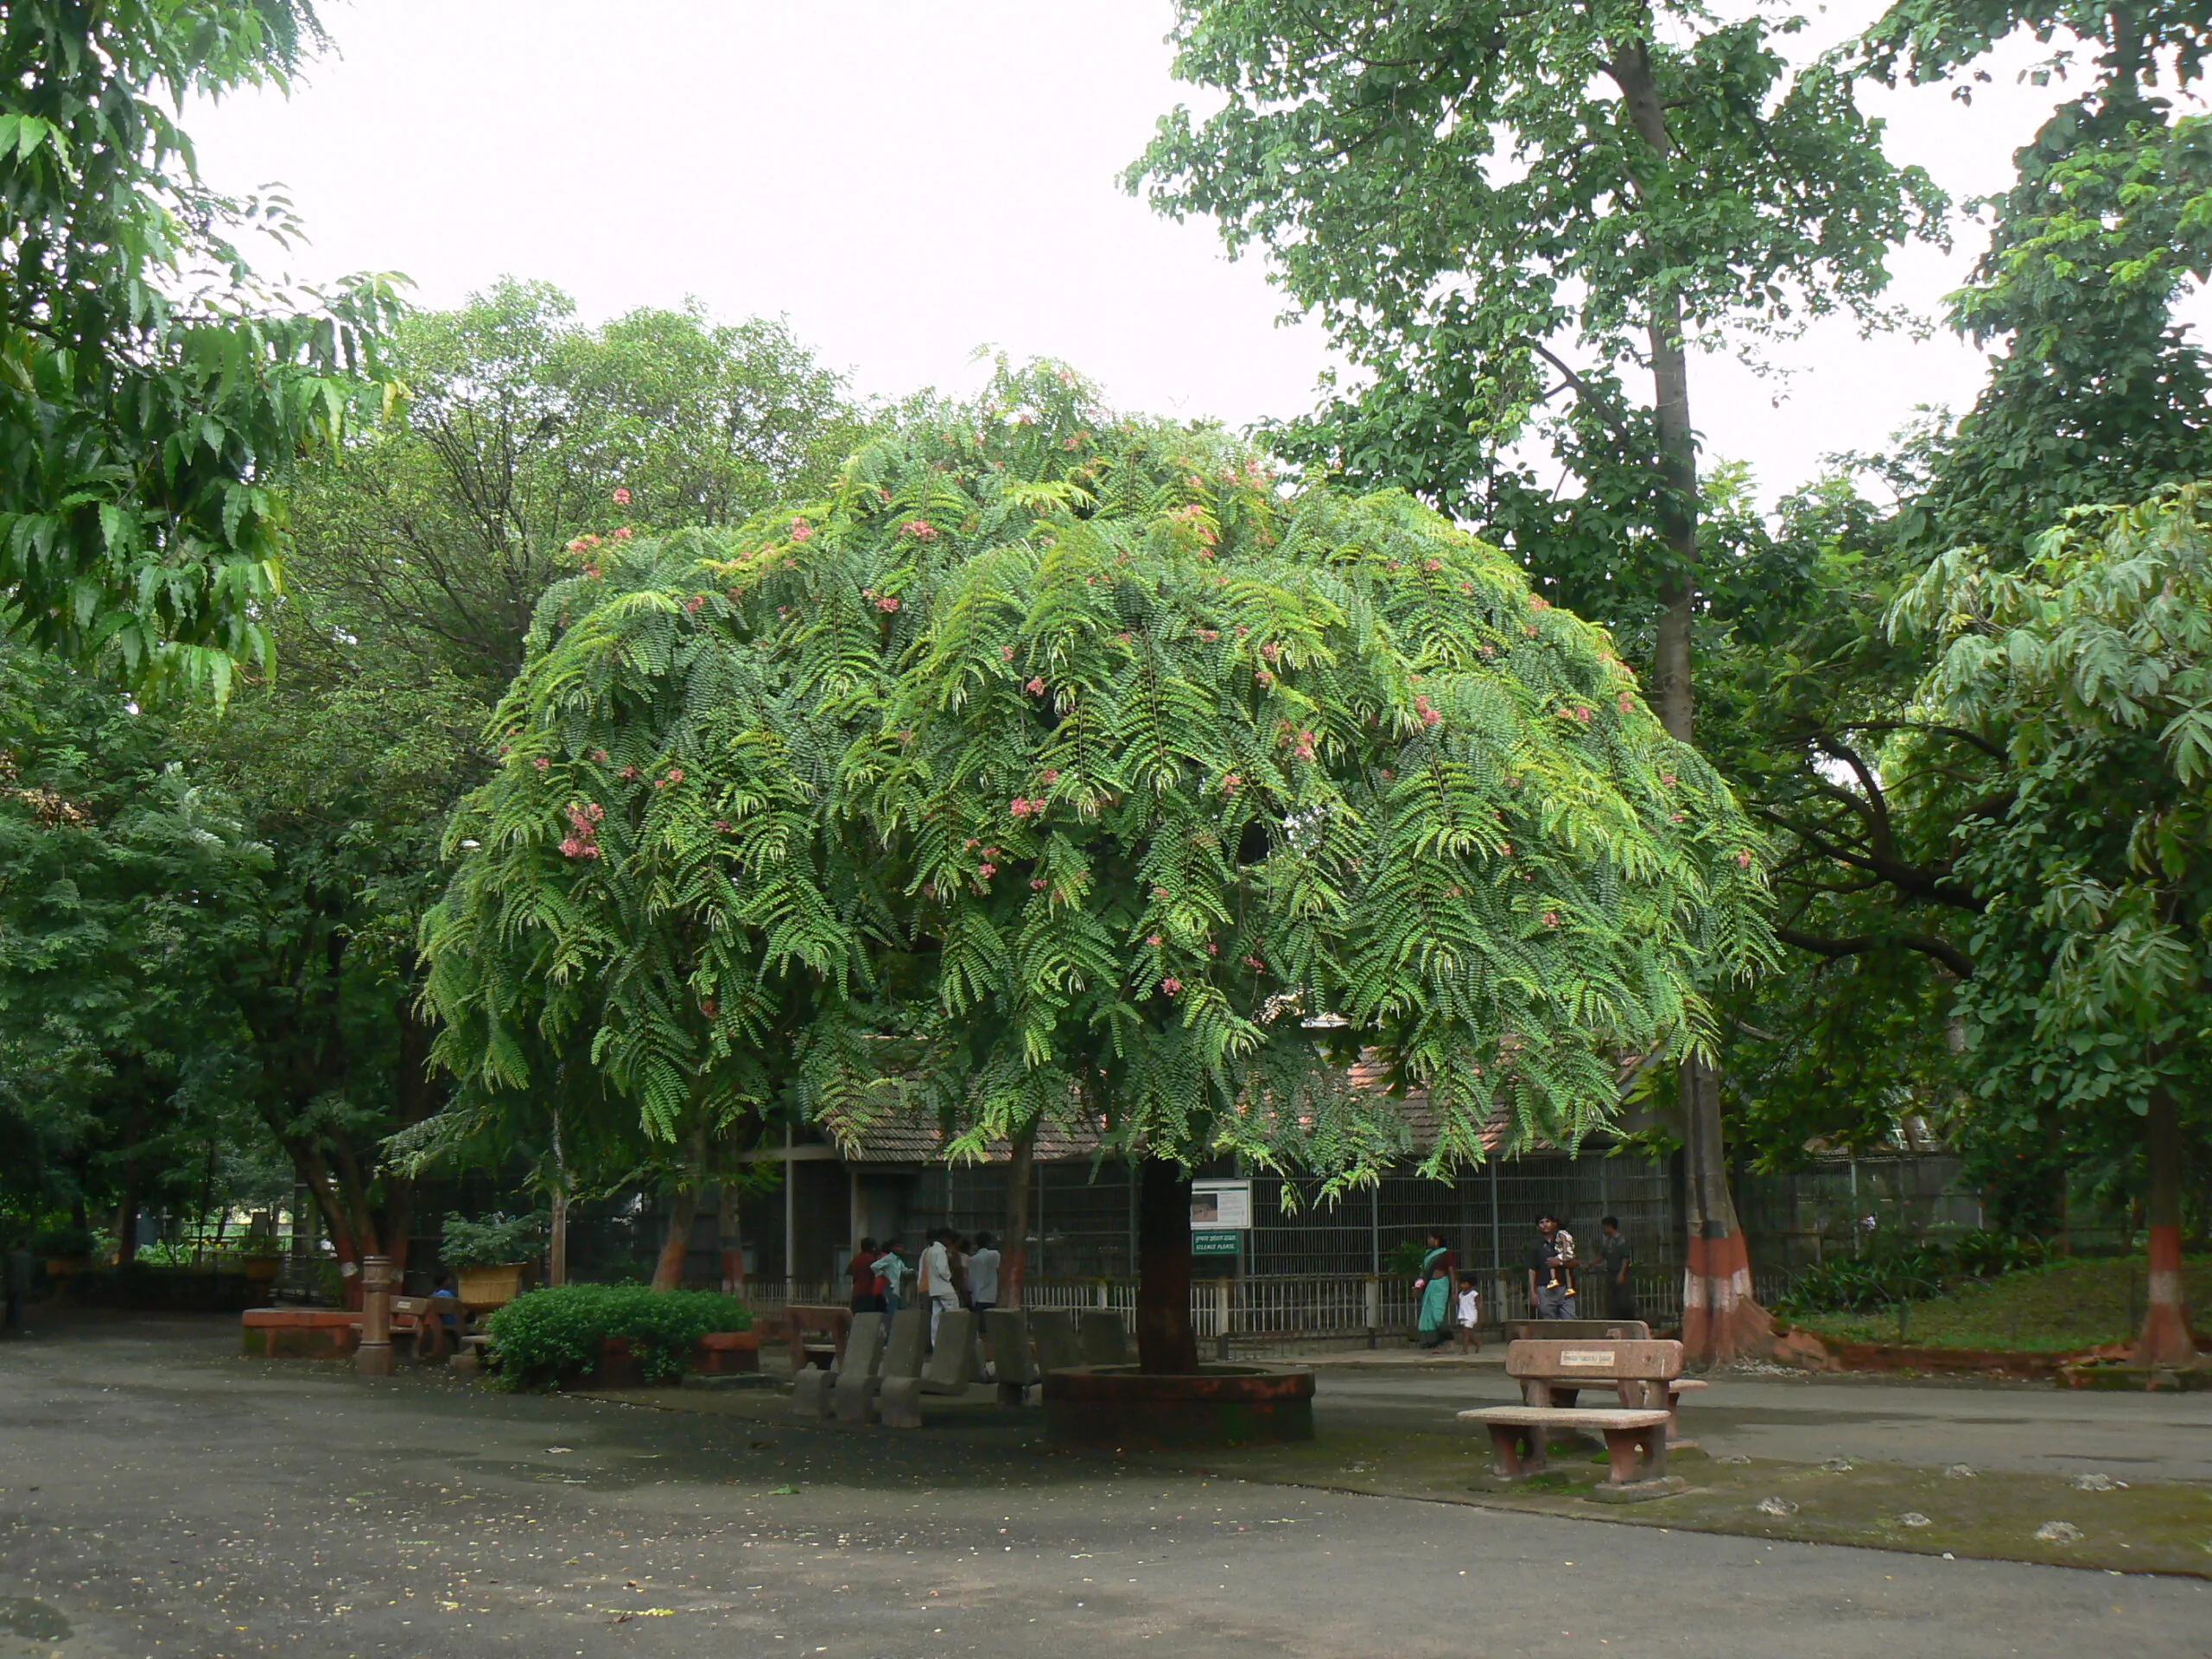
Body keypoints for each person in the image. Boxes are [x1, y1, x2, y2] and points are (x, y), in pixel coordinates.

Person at [1413, 1229, 1453, 1350]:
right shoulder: (1427, 1254)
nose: (1428, 1240)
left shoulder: (1446, 1253)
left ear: (1437, 1240)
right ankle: (1434, 1342)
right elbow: (1423, 1273)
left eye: (1430, 1238)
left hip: (1441, 1285)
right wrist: (1417, 1286)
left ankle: (1448, 1339)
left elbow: (1451, 1271)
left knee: (1438, 1315)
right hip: (1430, 1285)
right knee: (1428, 1315)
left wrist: (1454, 1290)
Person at [918, 1227, 959, 1345]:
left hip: (934, 1289)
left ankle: (936, 1344)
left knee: (935, 1318)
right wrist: (949, 1277)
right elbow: (942, 1270)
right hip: (944, 1288)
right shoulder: (940, 1250)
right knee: (954, 1315)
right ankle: (954, 1343)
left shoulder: (929, 1250)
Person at [1524, 1214, 1571, 1319]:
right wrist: (1532, 1292)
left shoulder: (1563, 1240)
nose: (1545, 1225)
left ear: (1554, 1224)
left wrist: (1559, 1262)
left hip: (1564, 1286)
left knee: (1570, 1319)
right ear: (1537, 1226)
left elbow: (1574, 1260)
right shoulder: (1534, 1245)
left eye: (1548, 1221)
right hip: (1544, 1288)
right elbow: (1532, 1269)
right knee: (1549, 1320)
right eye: (1541, 1222)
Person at [1599, 1215, 1636, 1320]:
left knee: (1623, 1299)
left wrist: (1621, 1274)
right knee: (1611, 1299)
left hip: (1619, 1272)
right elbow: (1603, 1255)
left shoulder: (1620, 1240)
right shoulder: (1608, 1241)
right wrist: (1590, 1265)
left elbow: (1625, 1258)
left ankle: (1627, 1319)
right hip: (1610, 1272)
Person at [967, 1231, 1001, 1321]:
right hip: (992, 1295)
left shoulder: (972, 1259)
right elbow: (999, 1270)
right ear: (989, 1242)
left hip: (977, 1296)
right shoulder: (995, 1255)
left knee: (980, 1324)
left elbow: (971, 1279)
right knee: (991, 1324)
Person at [849, 1235, 884, 1314]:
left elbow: (849, 1271)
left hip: (856, 1292)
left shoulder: (856, 1258)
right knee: (867, 1316)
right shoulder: (870, 1259)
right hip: (867, 1292)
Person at [876, 1238, 907, 1320]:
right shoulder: (888, 1259)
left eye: (901, 1247)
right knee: (892, 1311)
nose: (900, 1249)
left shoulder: (896, 1259)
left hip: (892, 1288)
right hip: (889, 1288)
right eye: (898, 1246)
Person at [1454, 1272, 1482, 1354]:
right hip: (1463, 1315)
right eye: (1461, 1284)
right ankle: (1477, 1343)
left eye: (1465, 1284)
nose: (1462, 1286)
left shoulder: (1474, 1294)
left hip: (1471, 1315)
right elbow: (1461, 1304)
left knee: (1465, 1332)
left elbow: (1479, 1306)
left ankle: (1465, 1350)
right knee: (1468, 1333)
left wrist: (1481, 1318)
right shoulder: (1461, 1294)